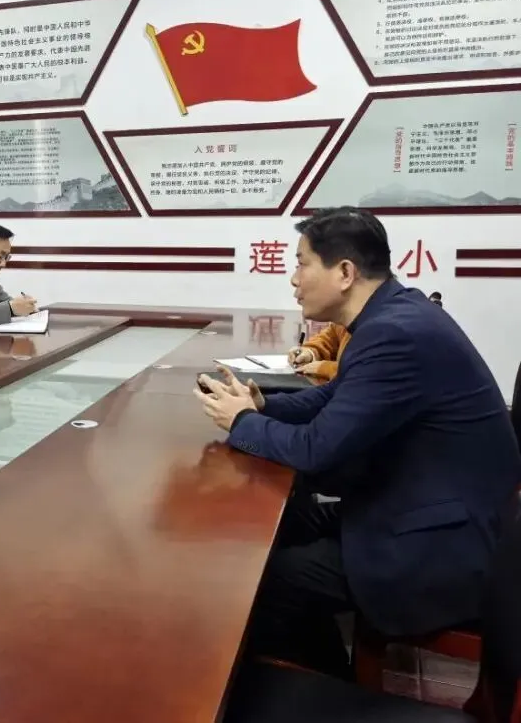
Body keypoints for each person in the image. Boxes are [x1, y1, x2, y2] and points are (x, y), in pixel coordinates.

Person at [195, 207, 520, 678]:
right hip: (415, 506)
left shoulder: (395, 333)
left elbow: (315, 449)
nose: (293, 279)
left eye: (302, 263)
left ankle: (327, 692)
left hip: (438, 546)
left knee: (271, 583)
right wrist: (263, 406)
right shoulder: (394, 313)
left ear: (345, 272)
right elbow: (334, 397)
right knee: (288, 521)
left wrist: (241, 421)